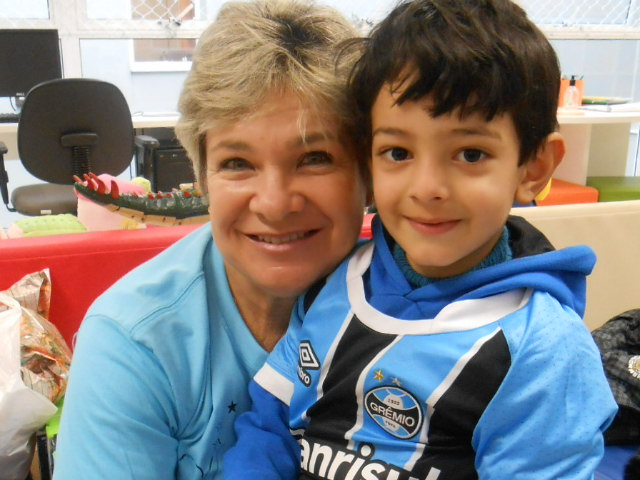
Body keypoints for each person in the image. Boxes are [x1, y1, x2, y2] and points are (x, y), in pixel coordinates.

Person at [223, 1, 618, 478]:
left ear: (532, 168)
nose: (426, 187)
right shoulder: (334, 281)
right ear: (367, 161)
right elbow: (269, 428)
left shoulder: (543, 353)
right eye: (398, 152)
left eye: (470, 153)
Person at [52, 1, 368, 478]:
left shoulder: (435, 304)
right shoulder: (137, 342)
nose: (275, 203)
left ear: (368, 171)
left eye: (315, 158)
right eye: (238, 163)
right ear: (202, 175)